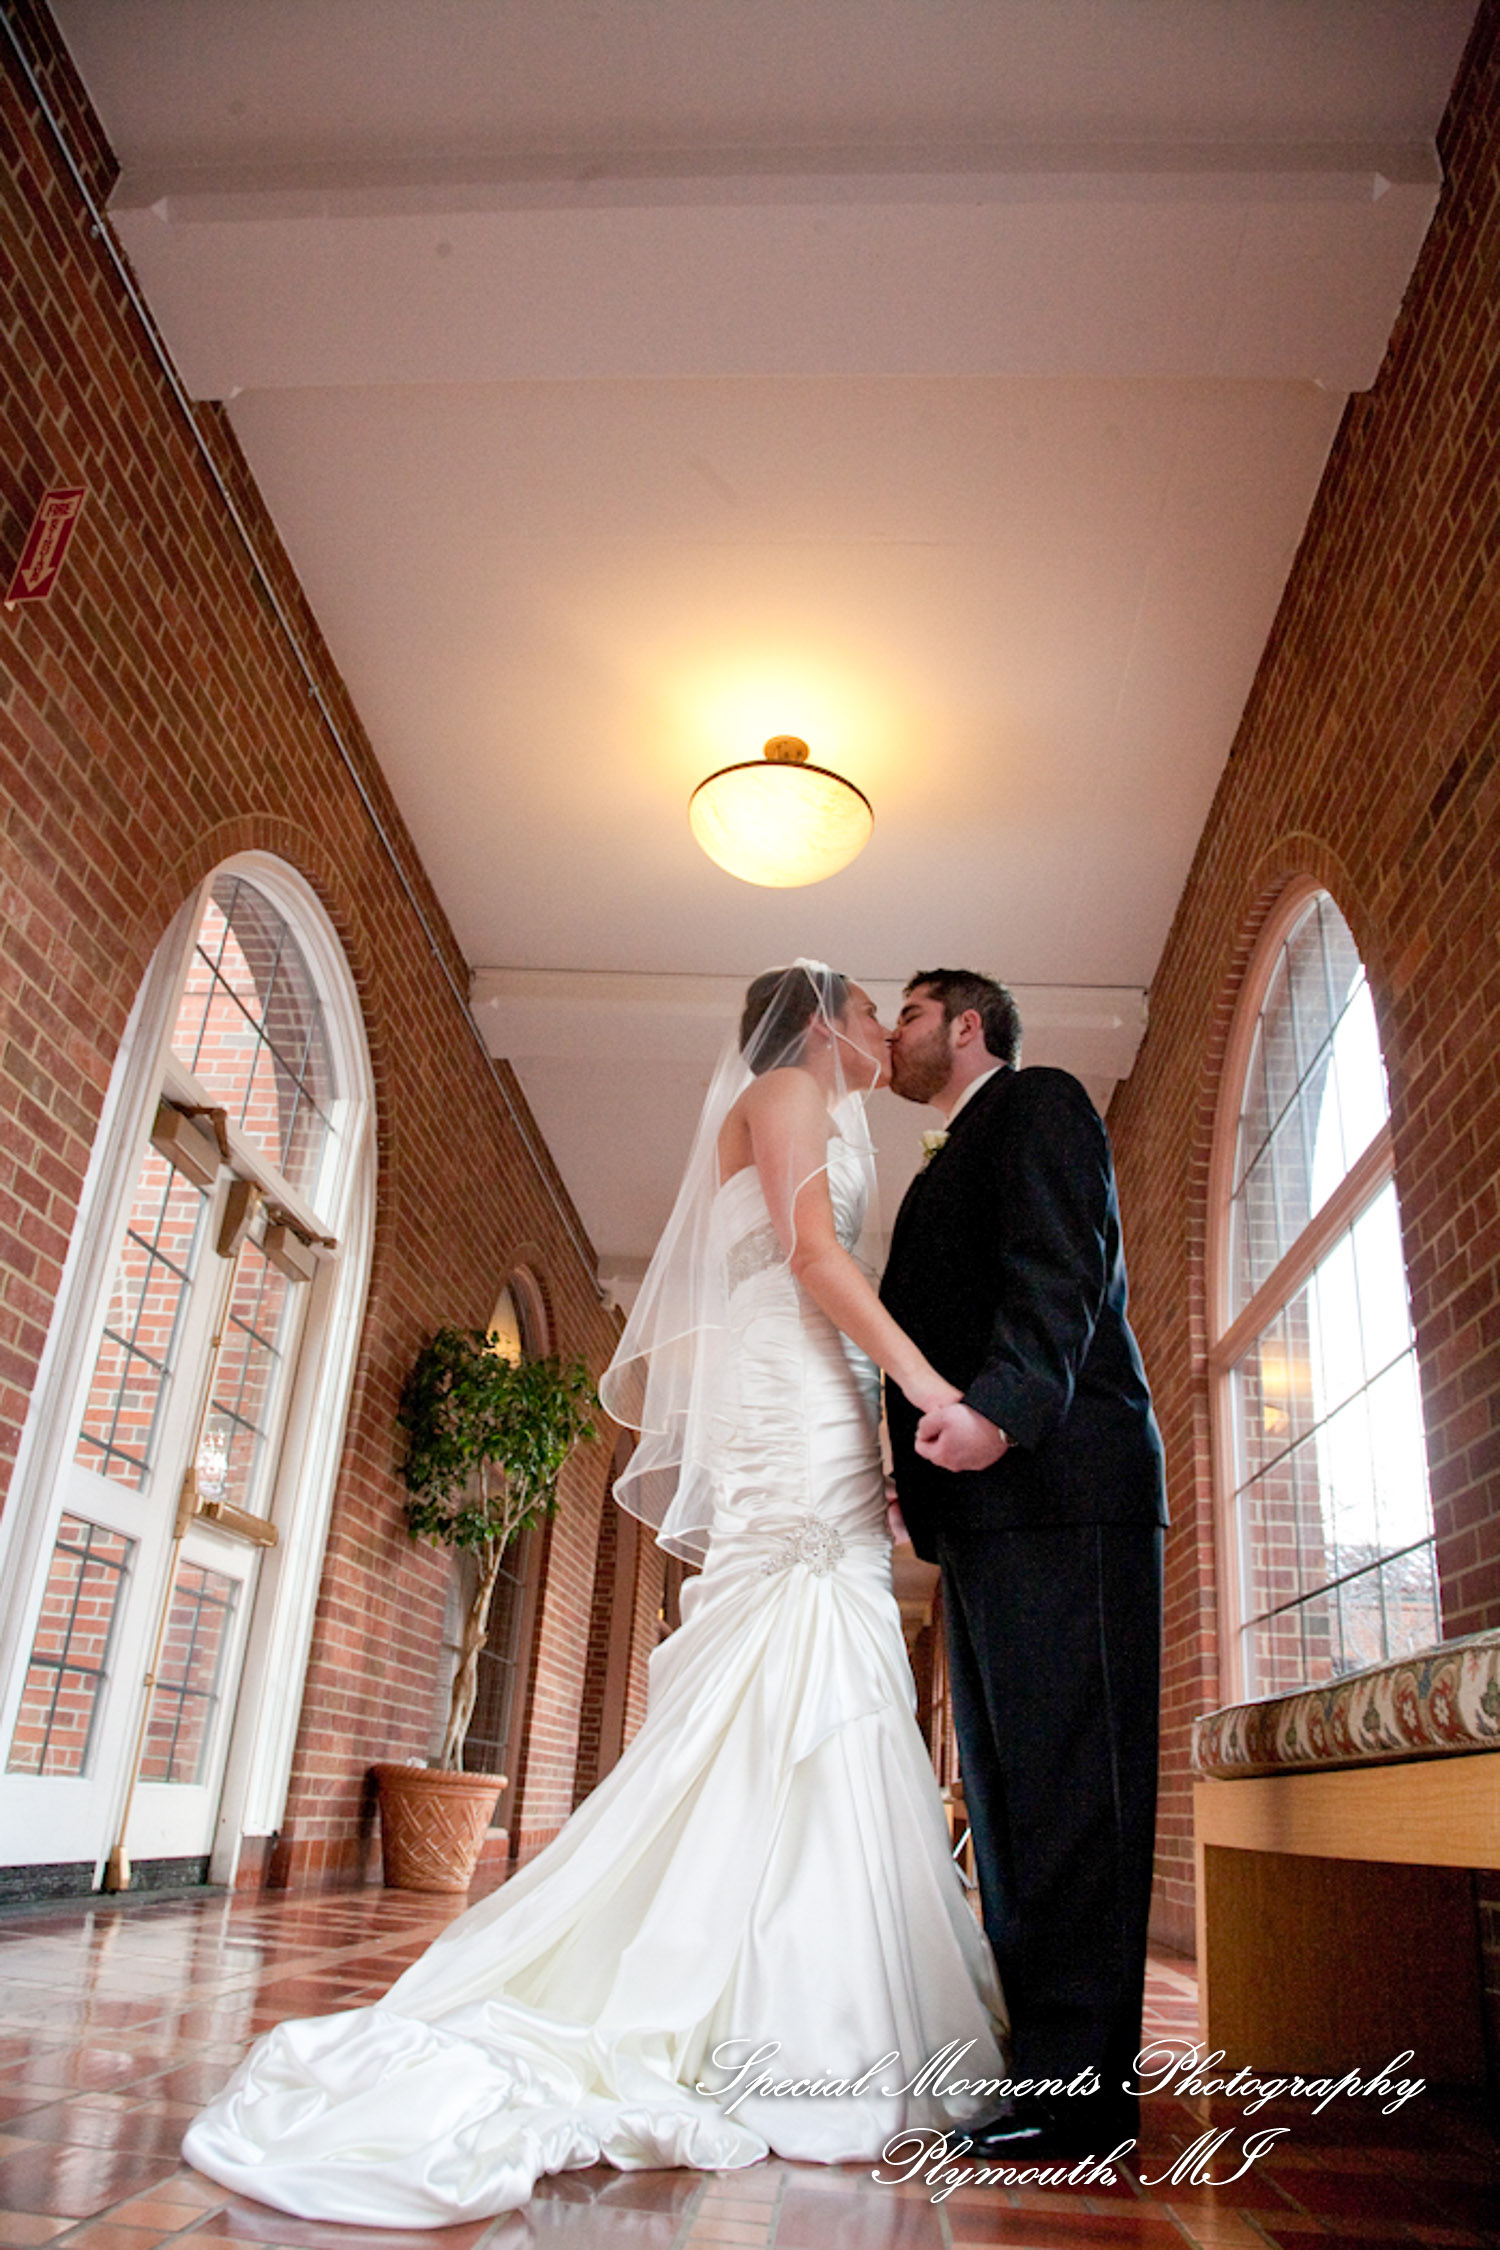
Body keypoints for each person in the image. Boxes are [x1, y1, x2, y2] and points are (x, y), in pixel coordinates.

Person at [183, 961, 1004, 2227]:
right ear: (819, 1020)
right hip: (797, 1401)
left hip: (818, 1396)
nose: (883, 1028)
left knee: (817, 1660)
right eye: (868, 1005)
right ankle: (782, 1999)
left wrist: (885, 1428)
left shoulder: (818, 1112)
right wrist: (932, 1394)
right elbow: (806, 1257)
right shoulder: (789, 1090)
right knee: (795, 1650)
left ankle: (811, 1985)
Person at [880, 968, 1166, 2161]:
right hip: (989, 1511)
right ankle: (1044, 2064)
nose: (891, 1034)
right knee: (1006, 1795)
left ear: (966, 1023)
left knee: (1072, 1792)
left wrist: (1002, 1408)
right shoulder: (944, 1161)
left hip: (1064, 1490)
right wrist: (919, 1478)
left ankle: (1084, 2095)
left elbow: (1068, 1259)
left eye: (906, 1012)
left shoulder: (1041, 1100)